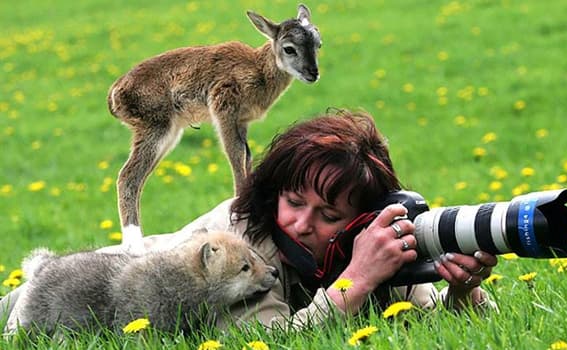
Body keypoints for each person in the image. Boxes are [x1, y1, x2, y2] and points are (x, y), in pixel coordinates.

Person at [1, 110, 498, 330]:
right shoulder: (241, 247)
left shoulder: (373, 242)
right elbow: (269, 341)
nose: (302, 223)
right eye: (294, 201)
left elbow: (438, 325)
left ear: (361, 221)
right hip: (78, 288)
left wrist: (463, 290)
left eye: (328, 214)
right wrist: (356, 282)